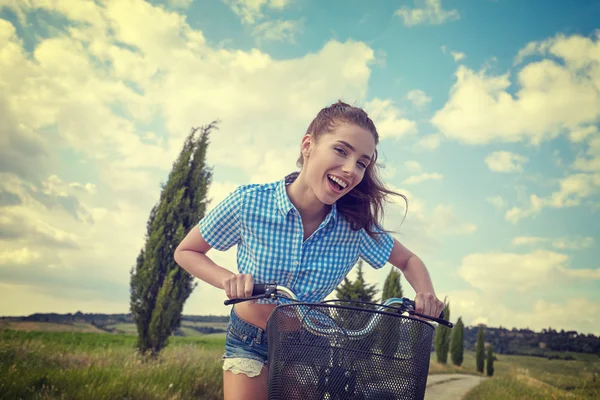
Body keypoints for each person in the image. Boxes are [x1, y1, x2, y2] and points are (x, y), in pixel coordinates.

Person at [173, 100, 445, 400]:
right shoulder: (249, 202)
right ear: (308, 145)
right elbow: (186, 251)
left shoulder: (354, 226)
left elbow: (408, 260)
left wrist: (425, 295)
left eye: (361, 163)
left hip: (305, 343)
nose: (350, 169)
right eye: (341, 151)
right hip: (249, 337)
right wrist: (229, 281)